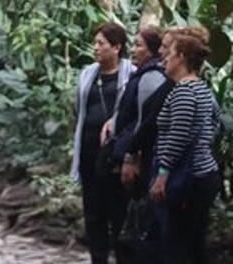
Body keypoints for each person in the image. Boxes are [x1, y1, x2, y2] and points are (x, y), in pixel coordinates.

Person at [150, 31, 221, 264]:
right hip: (204, 173)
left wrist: (162, 174)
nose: (164, 59)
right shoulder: (203, 90)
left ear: (180, 57)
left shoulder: (183, 91)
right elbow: (215, 123)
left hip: (187, 179)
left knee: (176, 244)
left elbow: (177, 137)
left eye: (169, 53)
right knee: (193, 244)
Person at [72, 22, 135, 264]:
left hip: (116, 157)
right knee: (94, 212)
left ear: (117, 47)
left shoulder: (131, 74)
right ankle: (98, 259)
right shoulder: (88, 73)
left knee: (119, 211)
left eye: (101, 43)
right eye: (95, 43)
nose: (95, 48)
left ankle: (122, 258)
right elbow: (78, 109)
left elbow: (135, 112)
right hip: (89, 154)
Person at [107, 27, 170, 262]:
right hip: (138, 157)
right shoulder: (143, 73)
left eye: (138, 45)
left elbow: (146, 122)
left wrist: (131, 157)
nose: (132, 50)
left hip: (141, 161)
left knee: (133, 224)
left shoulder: (151, 77)